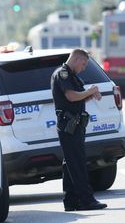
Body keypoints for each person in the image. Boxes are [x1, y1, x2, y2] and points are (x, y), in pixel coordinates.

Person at [51, 48, 107, 211]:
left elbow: (77, 98)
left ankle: (71, 200)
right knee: (78, 164)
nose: (84, 68)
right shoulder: (63, 74)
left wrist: (90, 94)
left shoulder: (72, 75)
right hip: (69, 125)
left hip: (75, 125)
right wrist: (88, 91)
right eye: (83, 64)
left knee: (70, 164)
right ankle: (86, 200)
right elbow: (70, 96)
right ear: (76, 59)